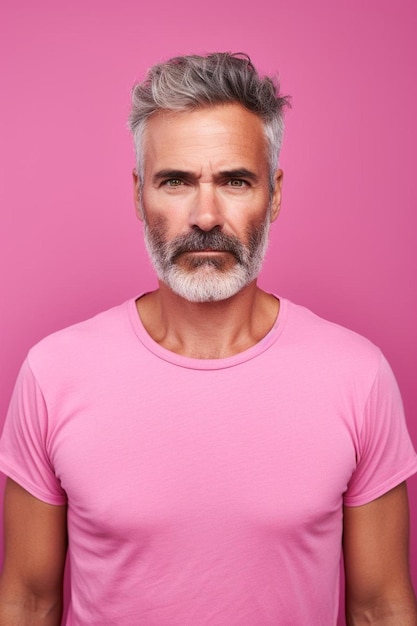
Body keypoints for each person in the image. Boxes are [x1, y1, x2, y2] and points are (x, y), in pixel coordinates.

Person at [0, 52, 416, 626]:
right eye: (176, 181)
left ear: (273, 194)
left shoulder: (357, 375)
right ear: (138, 194)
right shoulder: (53, 373)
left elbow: (380, 606)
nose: (205, 215)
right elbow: (27, 600)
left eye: (235, 181)